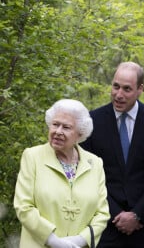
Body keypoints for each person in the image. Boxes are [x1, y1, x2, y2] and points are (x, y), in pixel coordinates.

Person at [81, 62, 144, 248]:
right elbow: (87, 174)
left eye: (127, 89)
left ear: (140, 89)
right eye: (115, 86)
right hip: (105, 225)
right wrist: (116, 214)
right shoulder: (91, 121)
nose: (119, 94)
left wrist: (138, 214)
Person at [14, 99, 110, 248]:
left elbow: (102, 214)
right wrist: (53, 241)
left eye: (66, 127)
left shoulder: (95, 163)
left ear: (80, 134)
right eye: (55, 124)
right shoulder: (32, 156)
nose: (58, 131)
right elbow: (23, 206)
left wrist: (79, 240)